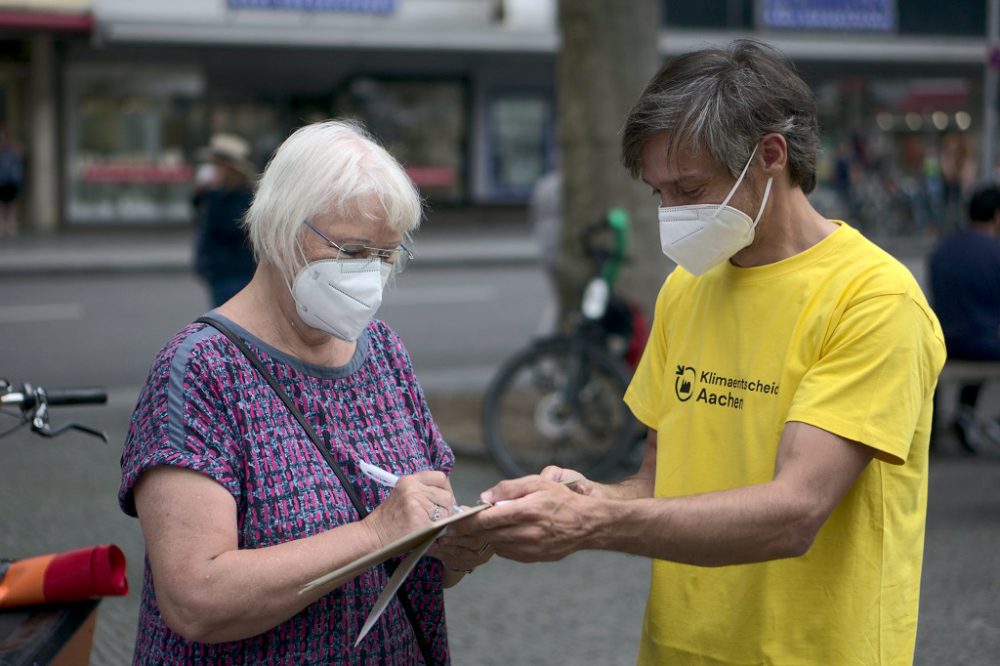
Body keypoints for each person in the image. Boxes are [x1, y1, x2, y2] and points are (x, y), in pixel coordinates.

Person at [460, 39, 946, 664]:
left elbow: (794, 512)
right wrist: (583, 496)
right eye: (658, 192)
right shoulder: (687, 287)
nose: (671, 212)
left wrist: (595, 526)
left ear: (771, 154)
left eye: (688, 188)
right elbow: (659, 484)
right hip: (679, 647)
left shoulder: (873, 301)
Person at [119, 120, 491, 663]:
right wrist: (375, 534)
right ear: (282, 227)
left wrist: (459, 545)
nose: (370, 275)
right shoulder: (199, 369)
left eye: (387, 255)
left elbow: (421, 545)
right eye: (354, 249)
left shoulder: (382, 350)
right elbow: (196, 599)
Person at [928, 184, 1000, 452]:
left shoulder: (942, 250)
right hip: (984, 347)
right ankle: (991, 422)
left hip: (944, 344)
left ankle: (964, 414)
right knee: (983, 335)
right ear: (996, 215)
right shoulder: (995, 252)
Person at [192, 132, 258, 306]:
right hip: (218, 270)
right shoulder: (218, 194)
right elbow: (199, 217)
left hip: (235, 271)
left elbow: (227, 226)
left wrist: (212, 195)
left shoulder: (242, 196)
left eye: (216, 165)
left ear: (227, 168)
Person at [0, 124, 24, 238]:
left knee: (10, 205)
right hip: (2, 180)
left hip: (11, 181)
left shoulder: (12, 148)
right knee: (2, 206)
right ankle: (3, 226)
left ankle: (11, 226)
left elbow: (20, 154)